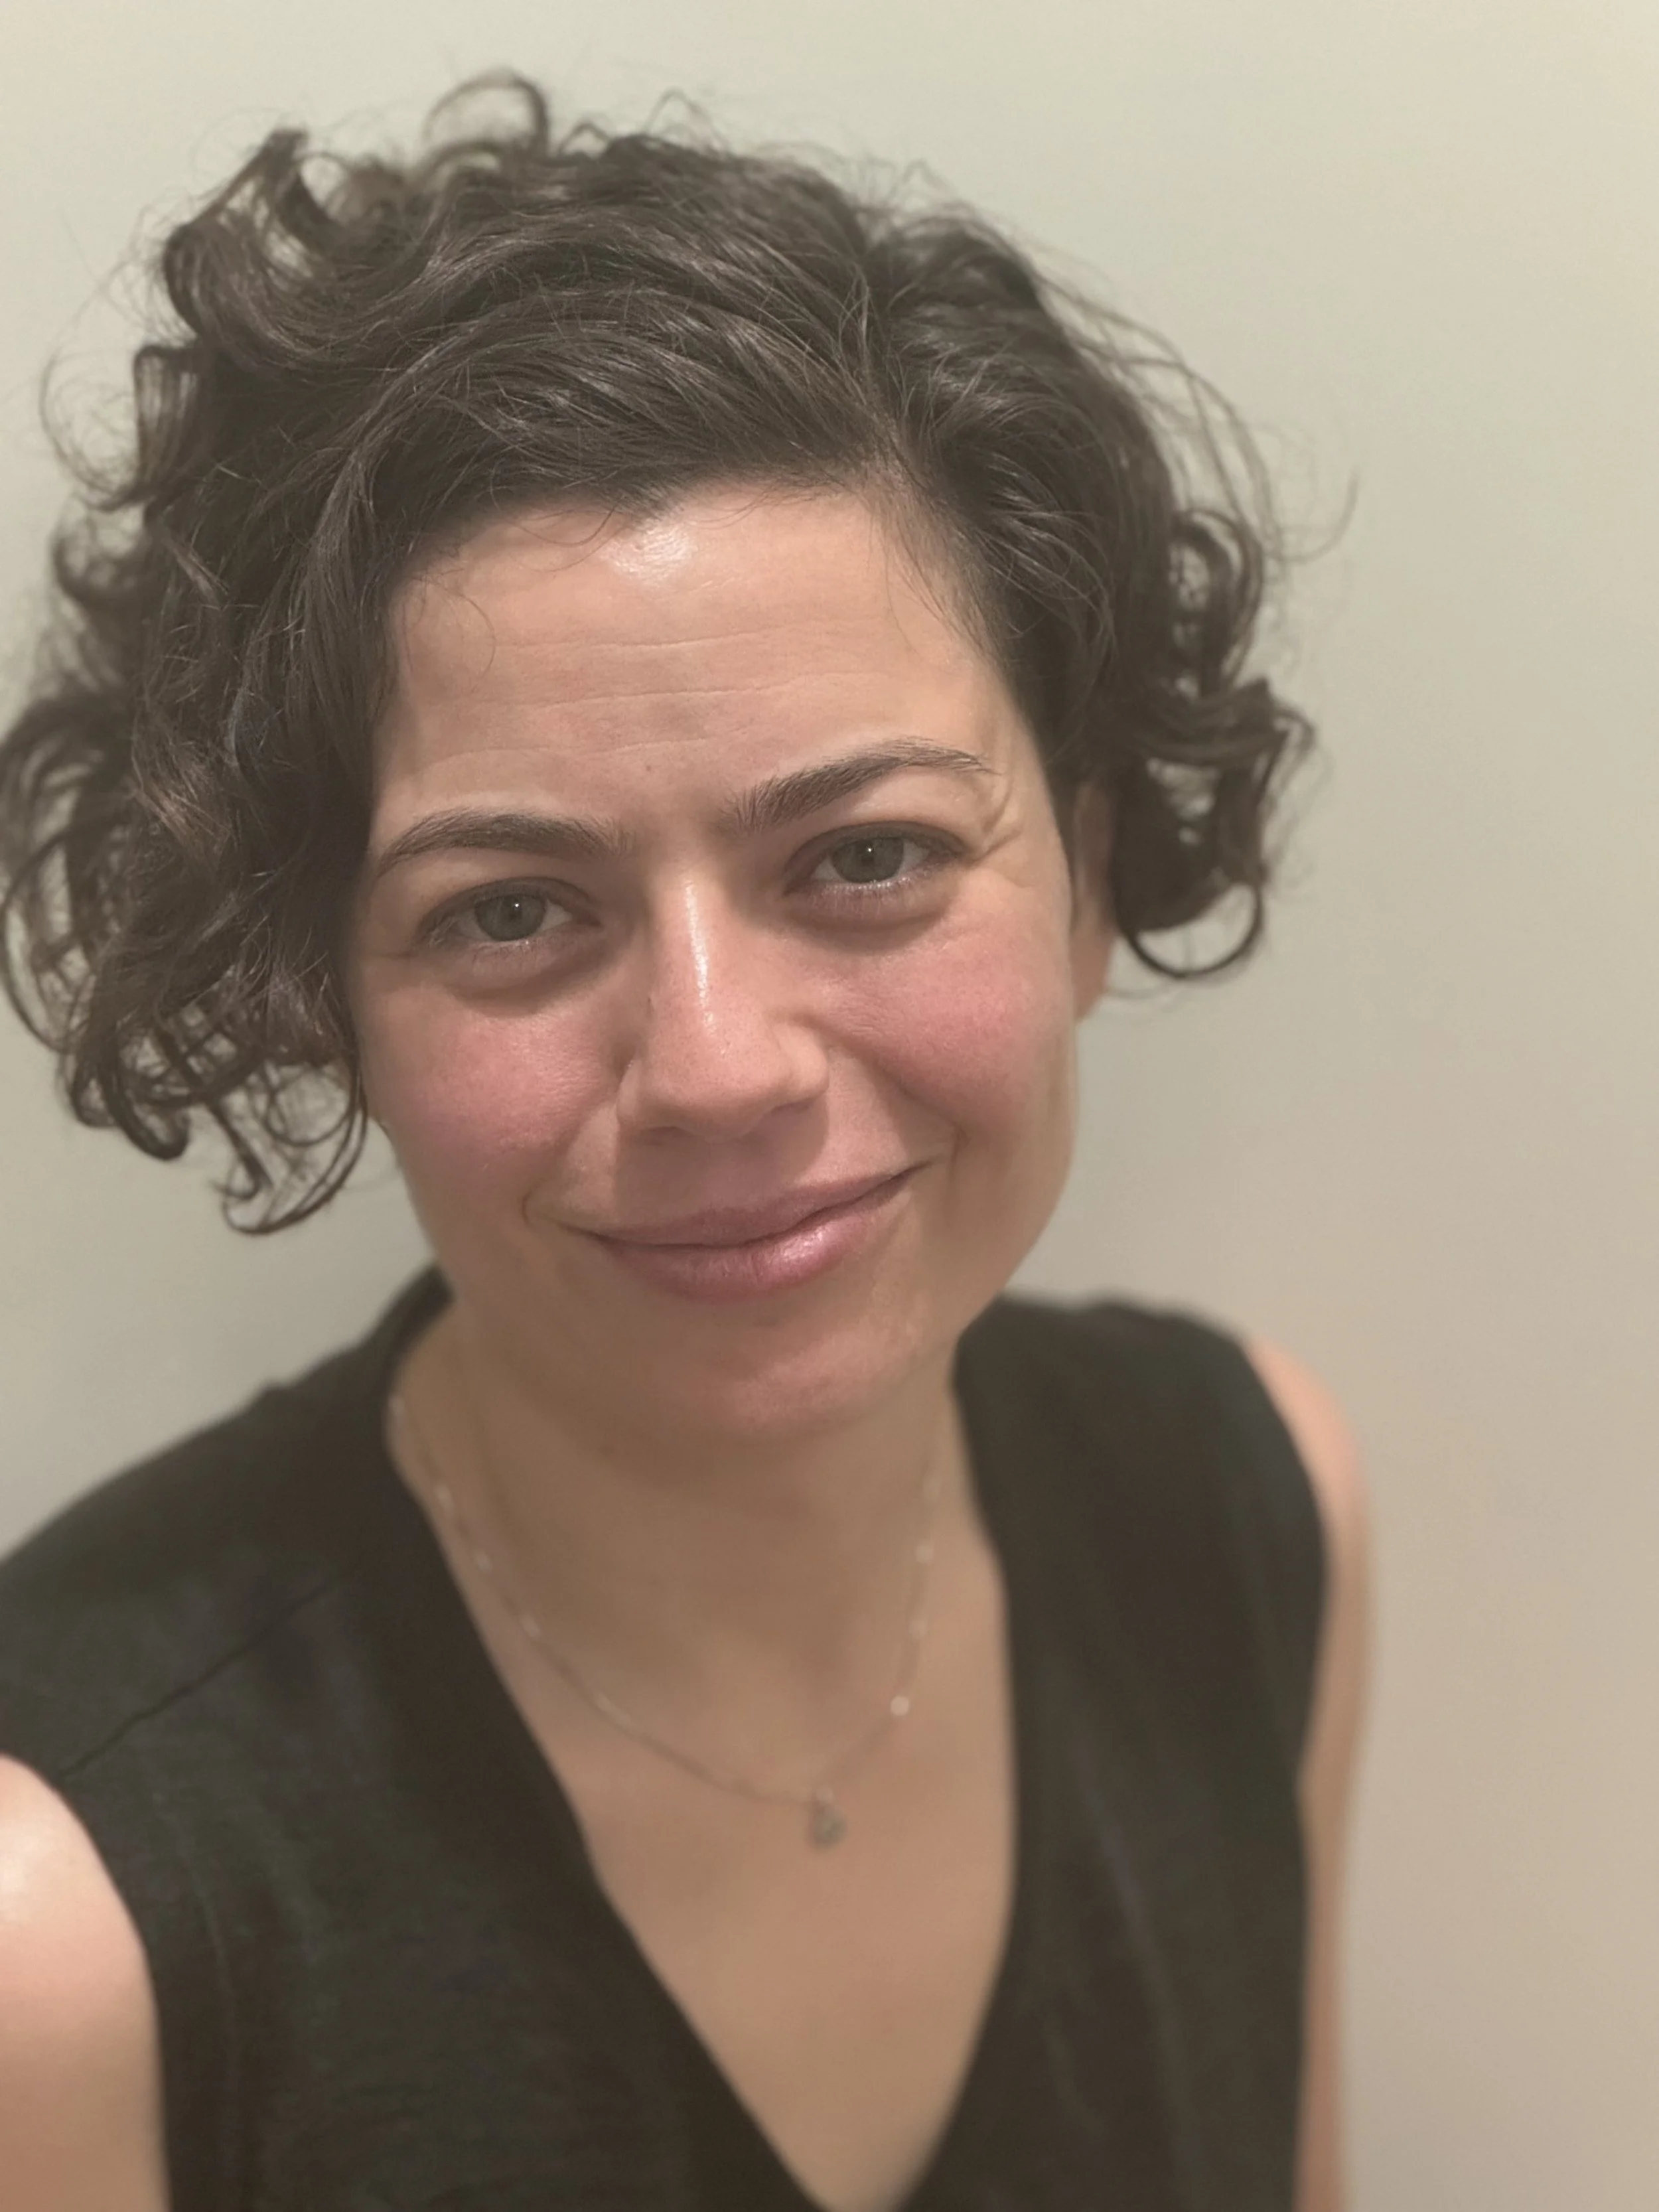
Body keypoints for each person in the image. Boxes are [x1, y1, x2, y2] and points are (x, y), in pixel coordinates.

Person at [0, 76, 1368, 2212]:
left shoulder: (1248, 1509)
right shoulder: (57, 1909)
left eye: (866, 852)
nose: (719, 1065)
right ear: (323, 1002)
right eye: (512, 909)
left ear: (1089, 884)